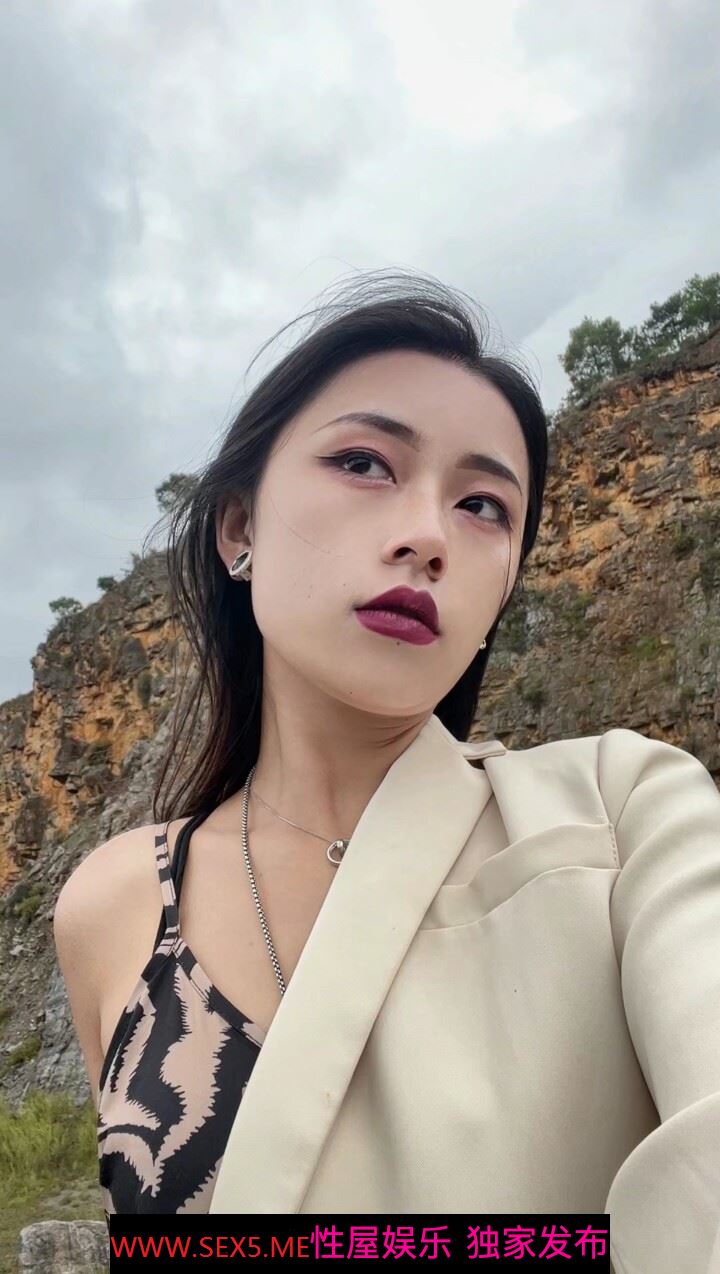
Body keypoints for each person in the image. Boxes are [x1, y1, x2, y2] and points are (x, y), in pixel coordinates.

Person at [53, 270, 720, 1271]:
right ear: (238, 527)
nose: (429, 536)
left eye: (484, 505)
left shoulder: (627, 814)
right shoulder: (116, 905)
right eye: (364, 462)